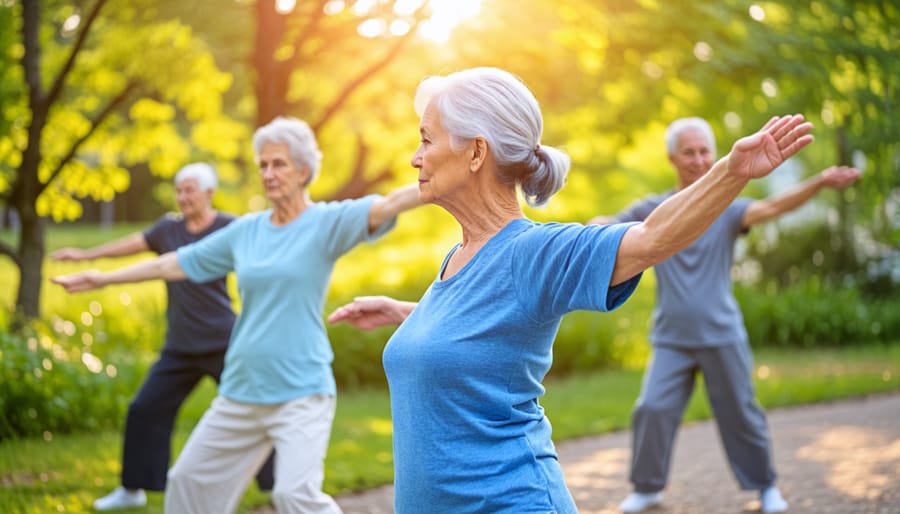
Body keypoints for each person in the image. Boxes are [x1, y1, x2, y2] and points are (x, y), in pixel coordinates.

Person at [326, 67, 815, 514]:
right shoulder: (459, 258)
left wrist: (730, 171)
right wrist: (410, 312)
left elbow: (650, 238)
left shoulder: (536, 252)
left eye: (426, 140)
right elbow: (486, 330)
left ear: (476, 151)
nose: (415, 158)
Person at [52, 116, 422, 514]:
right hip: (241, 391)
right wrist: (101, 278)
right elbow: (171, 264)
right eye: (262, 165)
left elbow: (389, 204)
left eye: (278, 164)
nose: (268, 173)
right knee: (187, 484)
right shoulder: (246, 231)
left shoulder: (325, 223)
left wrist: (439, 177)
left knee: (294, 495)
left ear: (303, 171)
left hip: (300, 391)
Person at [586, 117, 861, 514]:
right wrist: (592, 227)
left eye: (704, 151)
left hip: (721, 334)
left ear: (714, 154)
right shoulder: (653, 208)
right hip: (672, 337)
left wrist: (818, 182)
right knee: (651, 409)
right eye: (689, 152)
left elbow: (771, 207)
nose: (698, 160)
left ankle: (766, 487)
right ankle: (647, 489)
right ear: (672, 158)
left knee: (741, 414)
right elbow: (610, 225)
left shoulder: (728, 209)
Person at [51, 162, 275, 510]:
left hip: (224, 342)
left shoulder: (228, 227)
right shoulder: (168, 230)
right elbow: (131, 244)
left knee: (258, 407)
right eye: (179, 189)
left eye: (190, 190)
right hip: (181, 346)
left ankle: (276, 485)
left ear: (209, 194)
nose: (183, 197)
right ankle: (133, 489)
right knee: (145, 408)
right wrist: (85, 255)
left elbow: (267, 258)